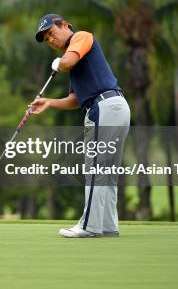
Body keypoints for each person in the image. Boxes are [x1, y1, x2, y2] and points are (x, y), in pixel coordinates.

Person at [30, 13, 130, 238]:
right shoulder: (74, 62)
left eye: (51, 33)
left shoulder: (81, 38)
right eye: (46, 39)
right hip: (114, 107)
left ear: (64, 25)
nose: (51, 40)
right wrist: (49, 102)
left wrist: (59, 63)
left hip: (104, 109)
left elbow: (66, 62)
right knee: (106, 171)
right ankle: (107, 225)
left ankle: (89, 225)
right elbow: (76, 99)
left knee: (96, 169)